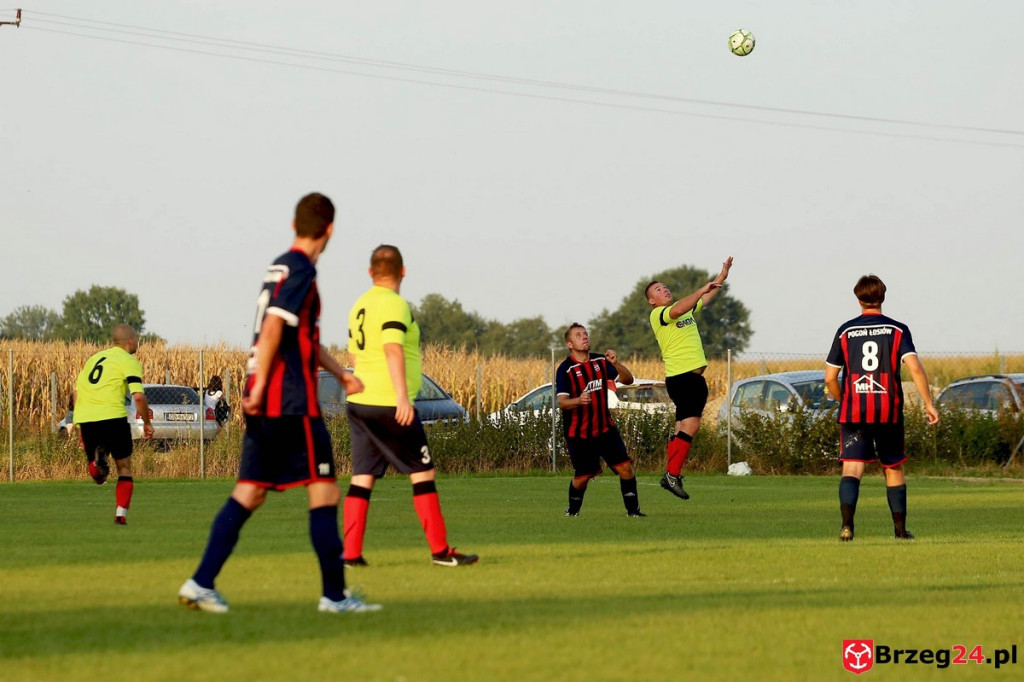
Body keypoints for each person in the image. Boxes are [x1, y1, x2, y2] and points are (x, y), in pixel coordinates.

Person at [178, 192, 381, 614]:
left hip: (268, 400)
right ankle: (335, 596)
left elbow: (299, 336)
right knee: (324, 492)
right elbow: (272, 329)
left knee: (250, 493)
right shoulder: (302, 270)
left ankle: (200, 582)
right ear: (330, 229)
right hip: (290, 403)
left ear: (294, 225)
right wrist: (261, 388)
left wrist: (341, 374)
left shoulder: (280, 266)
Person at [342, 244, 478, 568]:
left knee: (362, 476)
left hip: (359, 402)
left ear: (370, 272)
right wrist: (402, 397)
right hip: (388, 402)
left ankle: (351, 554)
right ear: (403, 271)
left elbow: (354, 357)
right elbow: (392, 349)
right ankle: (441, 552)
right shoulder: (394, 304)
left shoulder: (360, 304)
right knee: (422, 472)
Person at [825, 274, 939, 542]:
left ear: (858, 299)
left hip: (854, 411)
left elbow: (830, 378)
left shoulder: (845, 331)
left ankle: (847, 526)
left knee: (852, 469)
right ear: (883, 297)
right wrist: (928, 403)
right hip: (888, 411)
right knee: (893, 467)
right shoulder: (897, 330)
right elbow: (915, 369)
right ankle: (900, 531)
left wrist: (844, 400)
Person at [646, 257, 733, 500]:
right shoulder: (659, 314)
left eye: (665, 287)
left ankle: (671, 473)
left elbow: (702, 299)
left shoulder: (684, 310)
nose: (664, 290)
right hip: (683, 378)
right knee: (691, 426)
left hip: (688, 379)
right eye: (658, 290)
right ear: (652, 301)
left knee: (681, 428)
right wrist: (701, 289)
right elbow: (680, 308)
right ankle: (672, 474)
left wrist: (721, 276)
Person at [556, 323, 645, 518]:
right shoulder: (565, 369)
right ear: (569, 344)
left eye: (585, 333)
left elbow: (628, 380)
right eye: (578, 335)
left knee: (625, 468)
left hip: (605, 429)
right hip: (579, 433)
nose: (584, 337)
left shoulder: (600, 361)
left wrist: (615, 363)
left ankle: (634, 513)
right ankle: (572, 511)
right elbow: (562, 403)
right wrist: (578, 400)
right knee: (583, 477)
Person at [73, 324, 155, 524]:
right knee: (124, 467)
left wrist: (80, 427)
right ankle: (120, 514)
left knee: (99, 478)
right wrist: (147, 423)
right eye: (137, 339)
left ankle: (97, 462)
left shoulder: (94, 359)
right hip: (113, 417)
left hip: (87, 419)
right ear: (130, 341)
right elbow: (138, 396)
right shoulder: (128, 360)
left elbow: (76, 393)